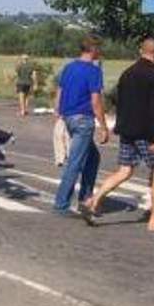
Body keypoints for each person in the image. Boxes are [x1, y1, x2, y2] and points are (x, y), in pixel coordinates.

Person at [81, 38, 154, 233]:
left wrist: (120, 126)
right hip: (148, 133)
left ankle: (93, 201)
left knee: (124, 170)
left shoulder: (127, 73)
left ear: (141, 51)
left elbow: (119, 102)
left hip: (127, 130)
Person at [52, 35, 109, 216]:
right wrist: (103, 126)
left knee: (92, 158)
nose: (100, 51)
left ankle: (86, 198)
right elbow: (96, 101)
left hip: (69, 117)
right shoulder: (93, 71)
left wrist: (58, 110)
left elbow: (60, 90)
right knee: (75, 162)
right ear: (93, 49)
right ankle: (62, 203)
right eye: (98, 48)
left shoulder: (69, 67)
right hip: (83, 119)